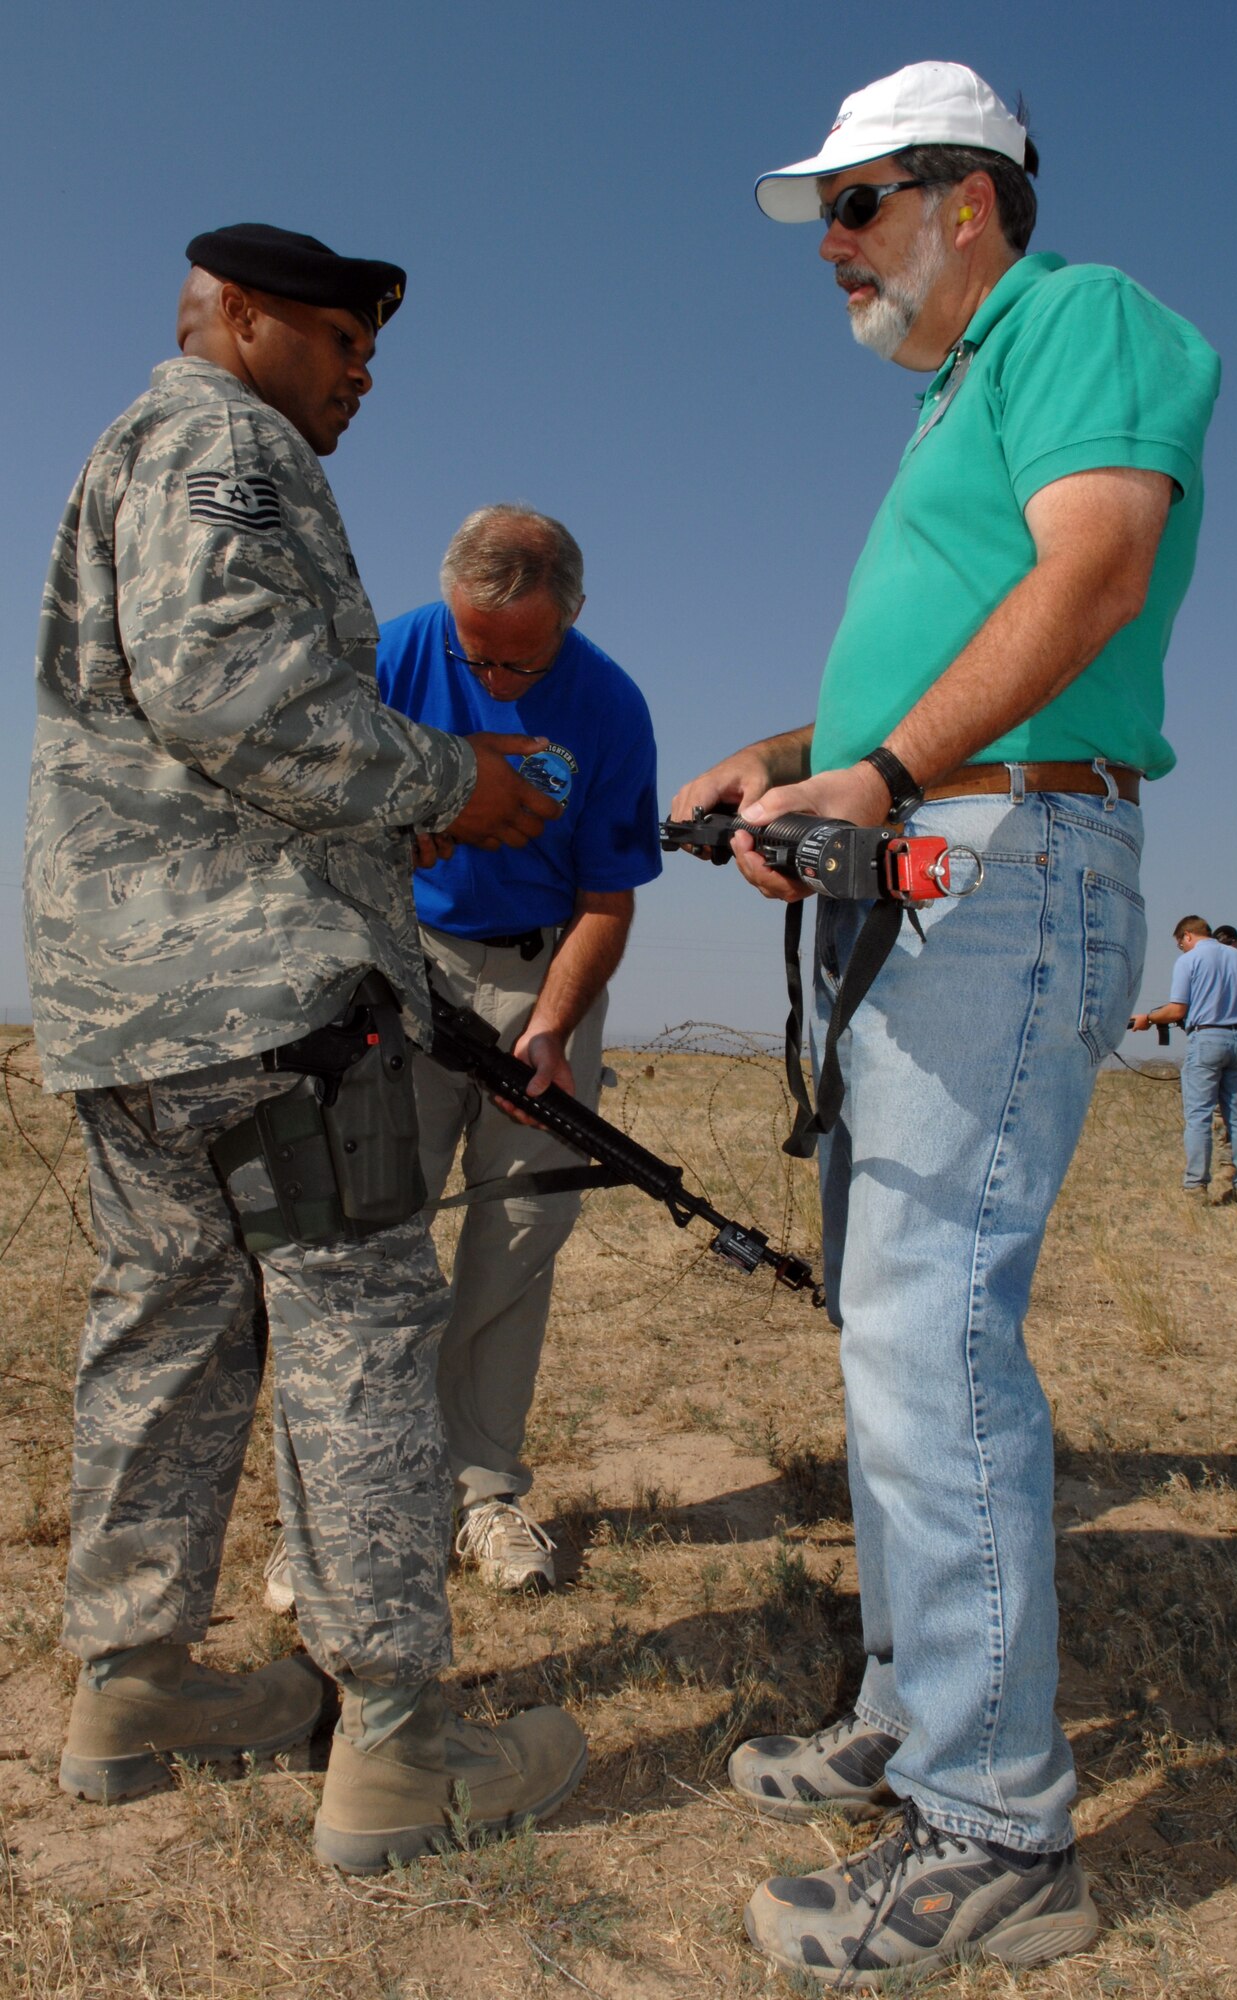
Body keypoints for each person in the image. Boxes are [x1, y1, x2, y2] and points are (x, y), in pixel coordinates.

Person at [672, 61, 1220, 1984]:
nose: (827, 246)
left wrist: (886, 774)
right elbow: (962, 632)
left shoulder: (1080, 319)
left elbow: (1093, 571)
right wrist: (795, 757)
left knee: (933, 1328)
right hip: (929, 857)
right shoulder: (949, 399)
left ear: (966, 199)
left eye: (855, 204)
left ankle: (996, 1834)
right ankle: (913, 1708)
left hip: (1001, 868)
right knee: (889, 1326)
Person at [24, 222, 587, 1873]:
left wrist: (360, 833)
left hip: (133, 1010)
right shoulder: (224, 443)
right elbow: (238, 697)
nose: (357, 375)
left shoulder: (130, 449)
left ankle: (130, 1693)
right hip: (267, 1011)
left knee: (169, 1337)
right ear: (244, 319)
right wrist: (450, 788)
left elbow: (192, 732)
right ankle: (400, 1749)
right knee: (352, 1343)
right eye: (341, 340)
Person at [262, 506, 661, 1599]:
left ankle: (482, 1493)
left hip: (545, 974)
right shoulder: (386, 655)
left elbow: (607, 899)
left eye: (518, 660)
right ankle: (331, 1509)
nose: (489, 677)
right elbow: (309, 811)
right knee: (365, 1238)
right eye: (473, 651)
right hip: (400, 966)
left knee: (517, 1237)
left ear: (571, 618)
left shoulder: (613, 704)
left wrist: (551, 1025)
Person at [1130, 917, 1237, 1202]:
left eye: (1179, 944)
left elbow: (1176, 1010)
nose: (1180, 950)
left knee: (1198, 1116)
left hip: (1207, 1039)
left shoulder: (1189, 960)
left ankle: (1196, 1186)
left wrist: (1147, 1018)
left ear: (1186, 936)